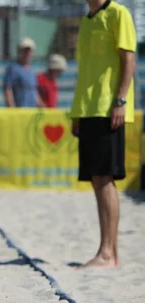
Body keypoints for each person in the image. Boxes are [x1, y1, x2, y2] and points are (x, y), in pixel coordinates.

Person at [69, 0, 136, 269]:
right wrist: (76, 112)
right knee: (97, 179)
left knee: (106, 179)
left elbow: (128, 58)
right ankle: (108, 252)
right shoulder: (86, 20)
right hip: (87, 110)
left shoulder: (118, 13)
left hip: (108, 108)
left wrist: (120, 100)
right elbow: (86, 72)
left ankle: (108, 253)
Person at [3, 37, 44, 108]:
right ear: (19, 51)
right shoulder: (13, 68)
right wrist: (12, 109)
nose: (27, 54)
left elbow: (34, 93)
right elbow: (8, 89)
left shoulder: (31, 71)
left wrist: (43, 107)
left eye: (29, 51)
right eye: (24, 51)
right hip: (20, 112)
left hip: (32, 113)